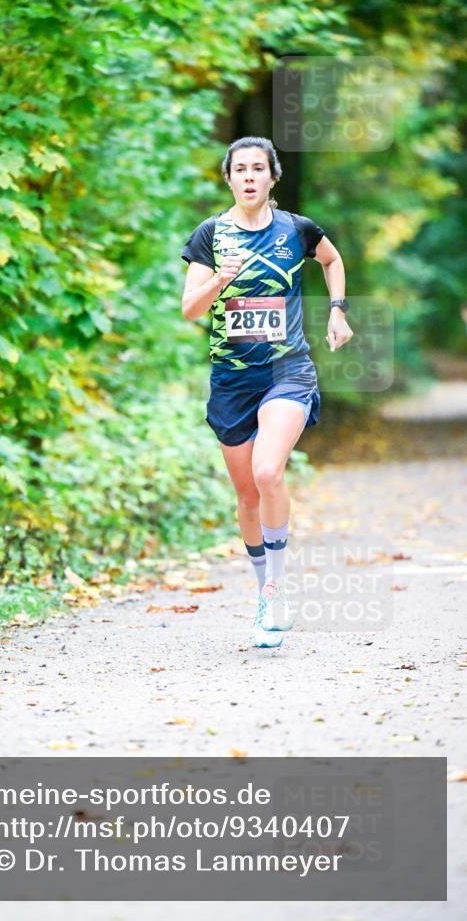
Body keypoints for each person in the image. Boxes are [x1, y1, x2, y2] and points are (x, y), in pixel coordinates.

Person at [180, 136, 353, 648]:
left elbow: (332, 259)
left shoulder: (296, 229)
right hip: (232, 379)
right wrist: (219, 281)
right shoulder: (210, 235)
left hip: (287, 370)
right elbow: (190, 308)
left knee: (267, 470)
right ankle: (265, 593)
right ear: (229, 178)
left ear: (273, 177)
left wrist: (338, 309)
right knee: (247, 495)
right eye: (240, 169)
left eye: (259, 168)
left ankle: (276, 588)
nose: (250, 176)